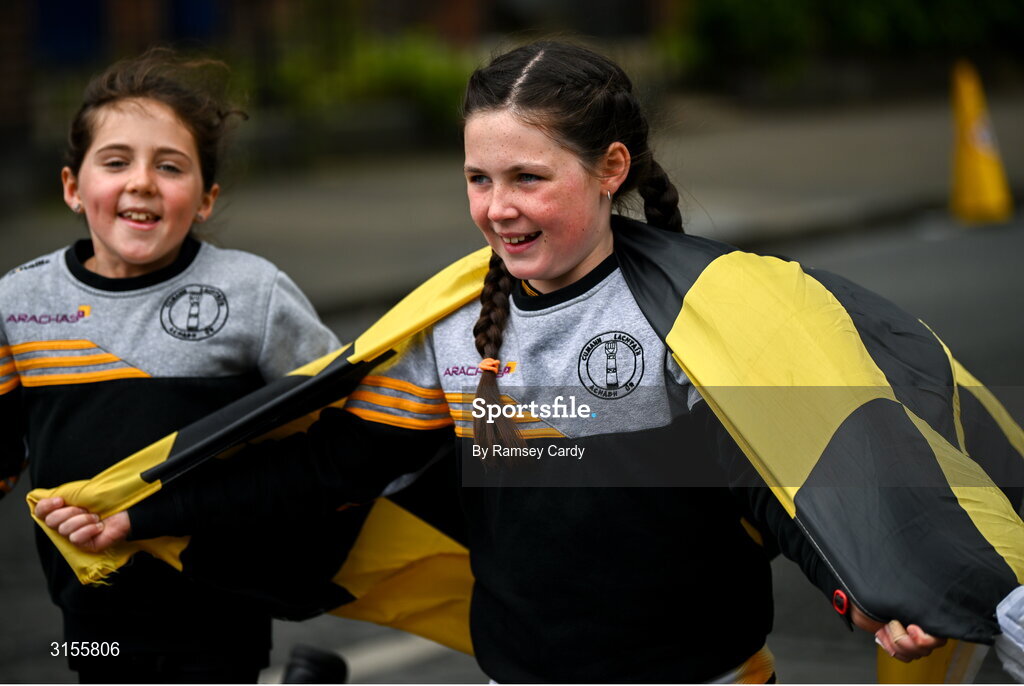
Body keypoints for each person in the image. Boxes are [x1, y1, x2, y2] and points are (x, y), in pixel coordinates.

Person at [35, 41, 960, 682]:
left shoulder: (696, 314)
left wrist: (864, 591)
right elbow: (329, 465)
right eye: (480, 179)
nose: (497, 208)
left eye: (528, 179)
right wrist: (151, 509)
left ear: (609, 170)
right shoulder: (451, 325)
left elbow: (785, 483)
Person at [1, 49, 340, 683]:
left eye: (170, 166)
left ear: (205, 198)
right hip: (87, 619)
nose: (141, 181)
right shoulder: (18, 301)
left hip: (219, 609)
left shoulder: (253, 293)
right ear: (73, 187)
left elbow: (336, 429)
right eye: (116, 161)